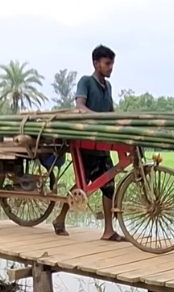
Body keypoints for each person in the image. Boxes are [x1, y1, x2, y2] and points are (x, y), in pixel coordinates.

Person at [53, 45, 125, 242]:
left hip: (102, 145)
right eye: (107, 63)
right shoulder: (86, 82)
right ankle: (60, 218)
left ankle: (108, 231)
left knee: (109, 186)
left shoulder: (108, 87)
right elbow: (80, 107)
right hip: (86, 144)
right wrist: (98, 119)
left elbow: (110, 112)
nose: (110, 67)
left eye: (112, 64)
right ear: (96, 63)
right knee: (82, 186)